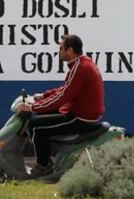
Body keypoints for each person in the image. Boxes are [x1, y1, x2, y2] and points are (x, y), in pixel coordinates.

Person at [16, 34, 105, 177]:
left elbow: (62, 97)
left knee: (36, 127)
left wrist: (31, 107)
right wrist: (42, 96)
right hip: (80, 113)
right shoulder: (82, 64)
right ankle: (45, 155)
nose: (59, 52)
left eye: (61, 48)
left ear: (69, 50)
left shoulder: (80, 68)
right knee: (39, 120)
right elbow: (66, 89)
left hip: (80, 119)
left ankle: (44, 166)